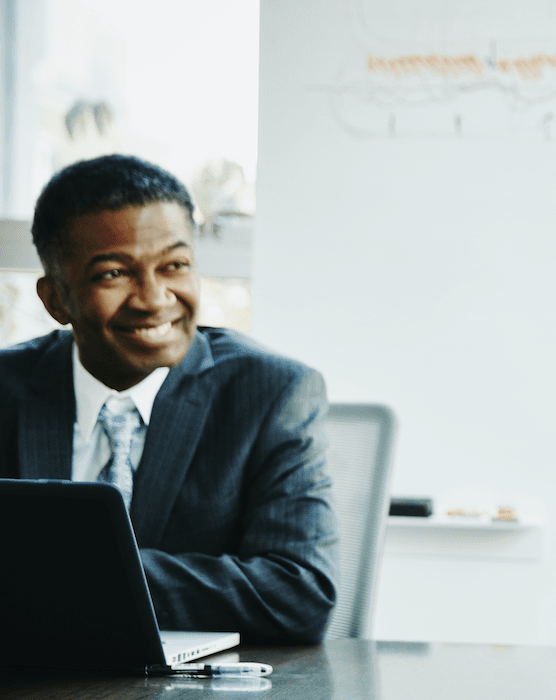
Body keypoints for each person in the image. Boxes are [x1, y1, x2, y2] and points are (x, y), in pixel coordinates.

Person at [0, 155, 337, 644]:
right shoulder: (7, 388)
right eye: (115, 274)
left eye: (174, 266)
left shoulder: (272, 394)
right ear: (56, 300)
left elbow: (298, 594)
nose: (155, 298)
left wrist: (71, 576)